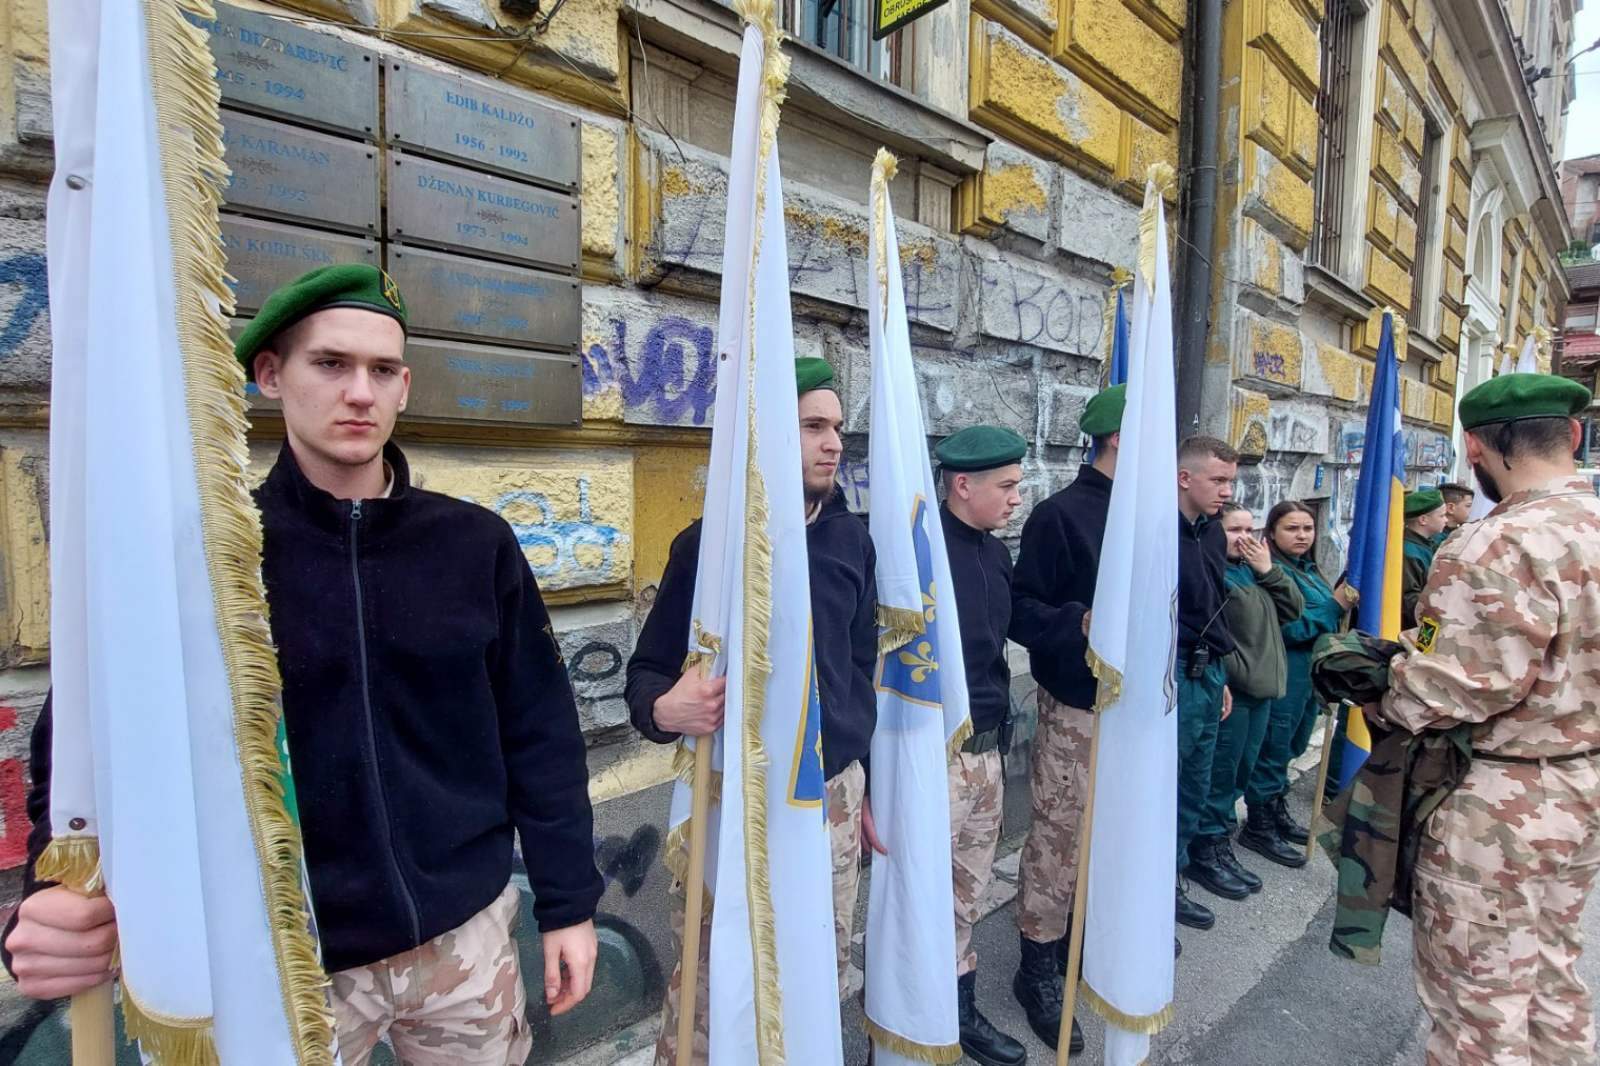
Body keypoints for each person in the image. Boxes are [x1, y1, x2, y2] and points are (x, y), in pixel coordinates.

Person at [3, 265, 604, 1065]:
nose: (360, 391)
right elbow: (85, 744)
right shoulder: (209, 561)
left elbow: (542, 735)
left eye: (382, 370)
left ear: (403, 386)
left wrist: (568, 904)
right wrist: (50, 896)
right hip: (281, 962)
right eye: (330, 363)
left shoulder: (473, 546)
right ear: (269, 374)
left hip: (465, 940)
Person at [627, 356, 878, 1066]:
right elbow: (646, 675)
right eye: (812, 426)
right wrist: (666, 706)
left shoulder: (852, 542)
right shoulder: (709, 547)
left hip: (827, 798)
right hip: (731, 801)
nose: (833, 443)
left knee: (813, 975)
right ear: (767, 432)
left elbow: (863, 673)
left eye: (837, 427)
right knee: (710, 989)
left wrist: (865, 786)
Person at [1371, 372, 1600, 1065]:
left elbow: (1443, 692)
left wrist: (1383, 681)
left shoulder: (1494, 545)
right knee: (1555, 981)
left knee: (1479, 1010)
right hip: (1581, 788)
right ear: (1575, 436)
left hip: (1500, 806)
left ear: (1474, 447)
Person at [1008, 383, 1125, 1052]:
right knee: (1059, 837)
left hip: (1137, 709)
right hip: (1079, 705)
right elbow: (1022, 611)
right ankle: (1039, 966)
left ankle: (1091, 939)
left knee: (1110, 833)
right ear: (1116, 439)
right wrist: (1076, 624)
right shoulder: (1060, 516)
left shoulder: (1150, 513)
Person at [933, 424, 1029, 1066]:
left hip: (989, 752)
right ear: (963, 485)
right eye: (1007, 486)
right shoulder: (919, 550)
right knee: (922, 895)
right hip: (936, 757)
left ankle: (959, 1011)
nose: (1017, 498)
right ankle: (904, 1025)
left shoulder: (996, 554)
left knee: (968, 891)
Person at [1186, 503, 1304, 897]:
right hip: (1234, 690)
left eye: (1251, 528)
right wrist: (1229, 674)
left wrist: (1269, 571)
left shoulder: (1251, 571)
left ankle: (1219, 843)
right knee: (1218, 775)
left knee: (1240, 772)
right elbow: (1211, 631)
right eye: (1235, 528)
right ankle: (1207, 848)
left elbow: (1294, 609)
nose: (1246, 537)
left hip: (1262, 690)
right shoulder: (1213, 570)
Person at [1241, 501, 1355, 854]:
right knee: (1273, 750)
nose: (1302, 535)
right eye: (1292, 528)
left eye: (1307, 528)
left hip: (1309, 677)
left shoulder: (1309, 568)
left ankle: (1276, 808)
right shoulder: (1269, 571)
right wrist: (1334, 606)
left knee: (1293, 746)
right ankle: (1259, 824)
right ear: (1272, 532)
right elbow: (1289, 629)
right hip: (1285, 674)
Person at [1174, 436, 1239, 933]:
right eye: (1217, 480)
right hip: (1171, 671)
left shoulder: (1212, 533)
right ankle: (1153, 889)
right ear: (1184, 477)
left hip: (1207, 671)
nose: (1225, 491)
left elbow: (1215, 605)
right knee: (1164, 788)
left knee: (1196, 783)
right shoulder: (1157, 533)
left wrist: (1220, 674)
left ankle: (1176, 874)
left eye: (1230, 482)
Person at [1400, 488, 1447, 626]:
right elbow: (1408, 600)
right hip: (1416, 624)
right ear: (1423, 520)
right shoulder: (1409, 552)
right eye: (1442, 515)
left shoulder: (1426, 544)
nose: (1446, 519)